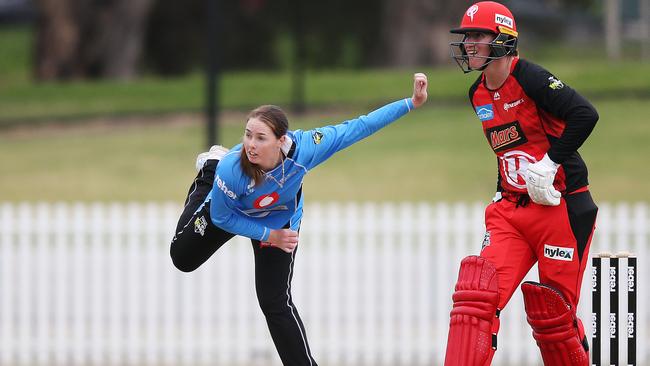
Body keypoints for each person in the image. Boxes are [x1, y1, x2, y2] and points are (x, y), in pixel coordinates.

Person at [170, 73, 428, 365]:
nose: (250, 144)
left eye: (260, 138)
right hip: (232, 209)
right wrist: (268, 236)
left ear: (281, 141)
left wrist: (411, 102)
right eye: (247, 134)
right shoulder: (233, 168)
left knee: (274, 302)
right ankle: (208, 168)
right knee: (182, 258)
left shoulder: (305, 150)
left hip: (278, 220)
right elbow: (221, 216)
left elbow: (360, 126)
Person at [443, 2, 599, 365]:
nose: (469, 44)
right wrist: (504, 187)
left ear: (503, 39)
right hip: (511, 210)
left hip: (560, 206)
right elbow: (507, 150)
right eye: (467, 37)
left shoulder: (530, 77)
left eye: (478, 36)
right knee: (474, 298)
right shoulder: (477, 94)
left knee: (554, 317)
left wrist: (551, 161)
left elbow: (585, 114)